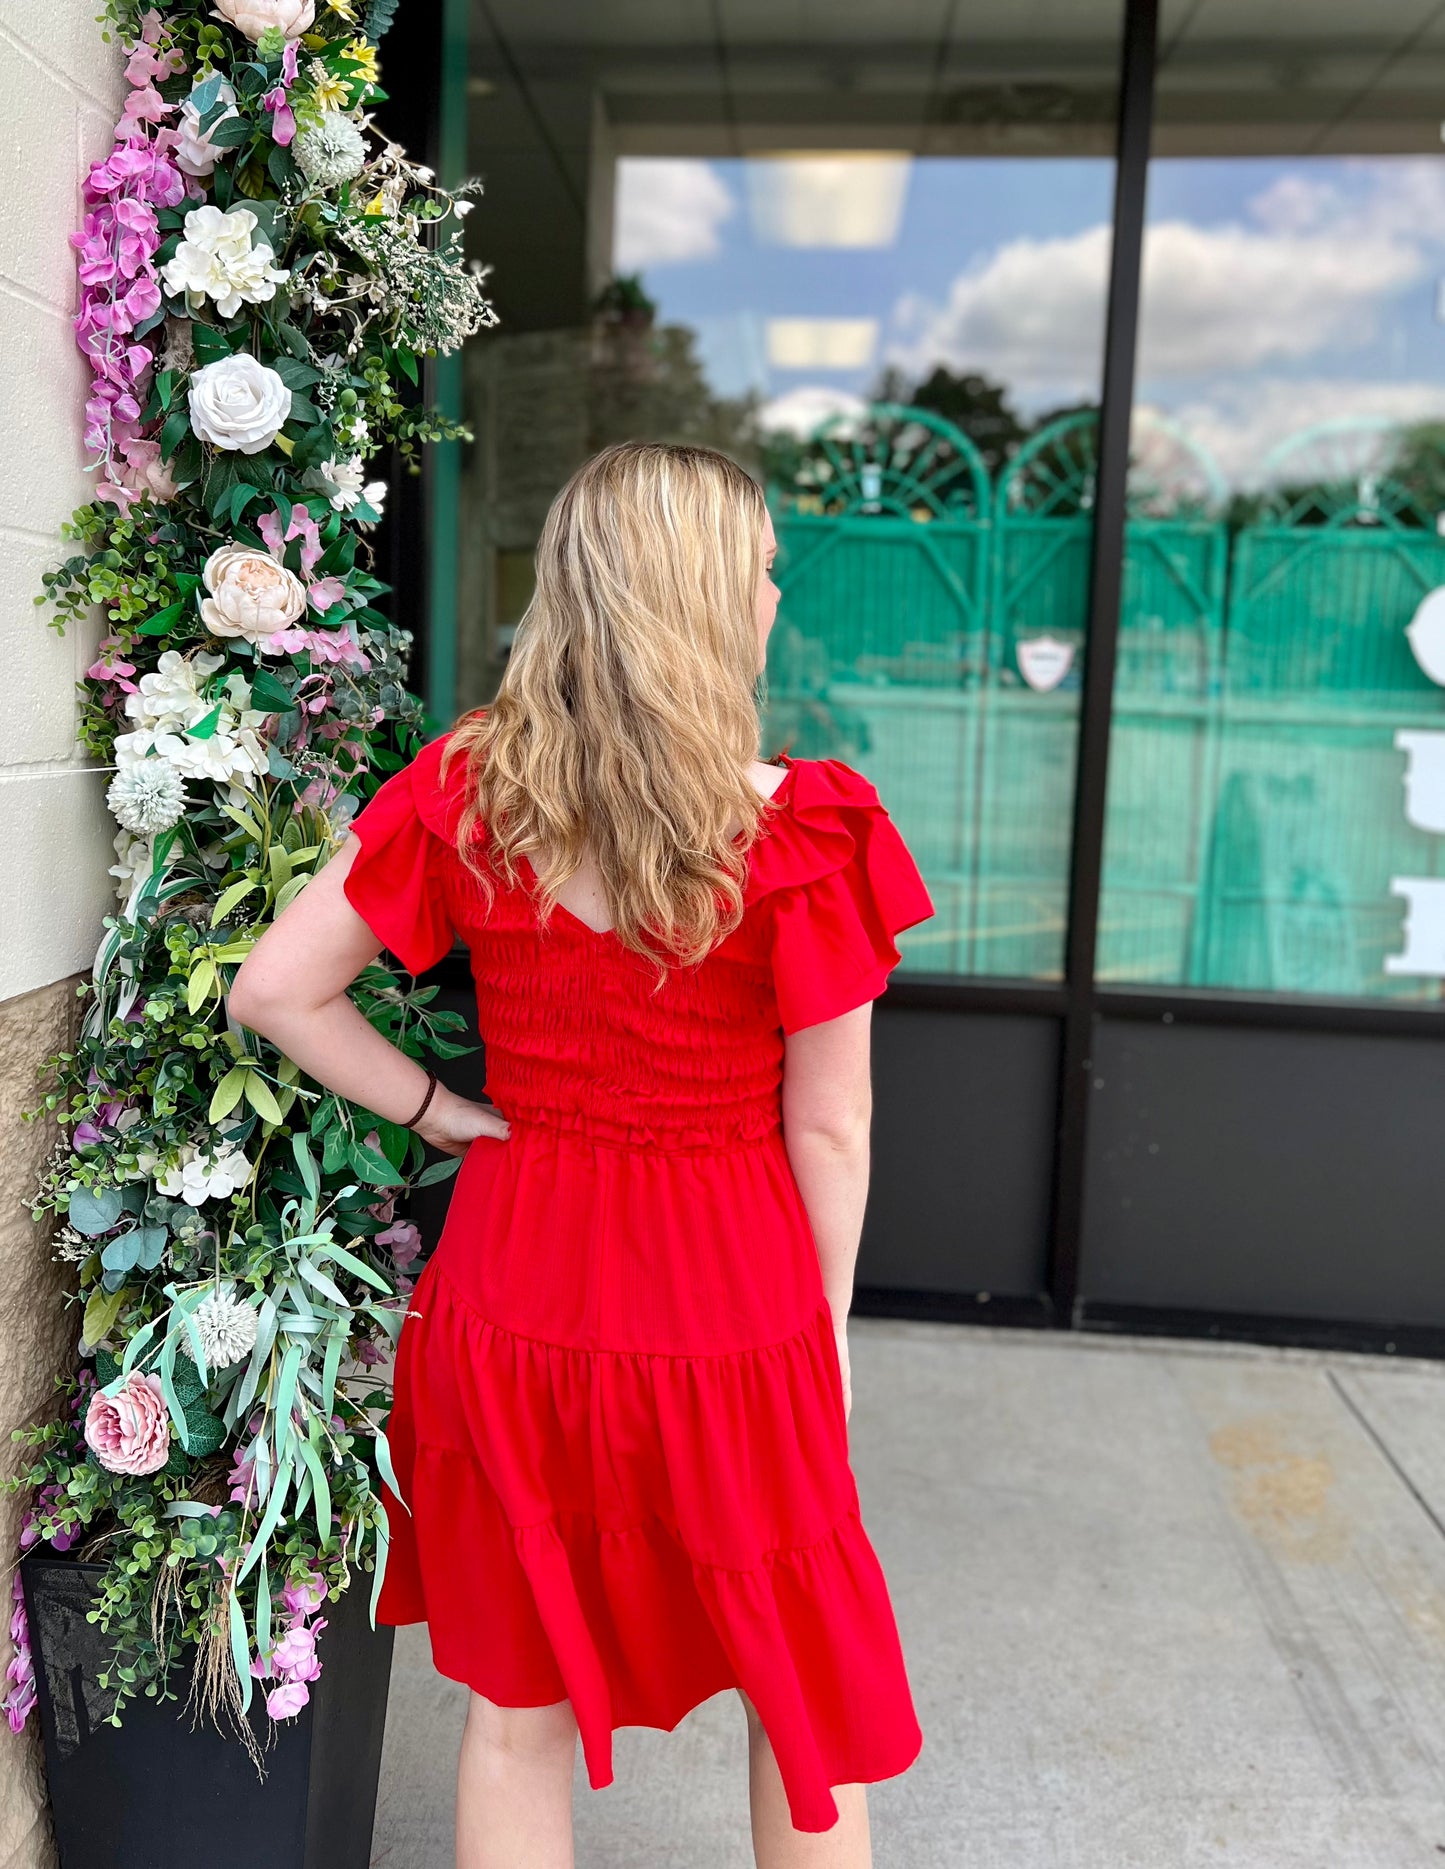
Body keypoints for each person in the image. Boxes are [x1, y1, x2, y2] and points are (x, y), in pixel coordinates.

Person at [229, 440, 934, 1868]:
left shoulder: (472, 788)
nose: (776, 593)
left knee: (512, 1715)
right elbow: (830, 1121)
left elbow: (274, 990)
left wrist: (439, 1111)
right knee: (801, 1695)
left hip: (513, 1282)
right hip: (730, 1297)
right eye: (759, 568)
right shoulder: (801, 829)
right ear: (699, 600)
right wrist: (828, 1323)